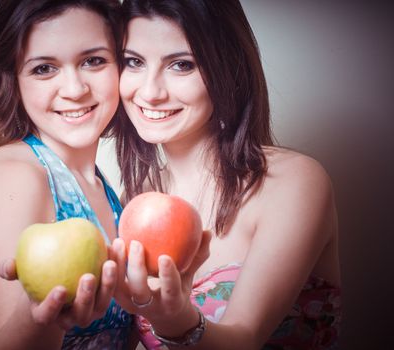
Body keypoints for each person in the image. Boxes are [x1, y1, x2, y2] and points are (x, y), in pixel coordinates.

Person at [110, 0, 342, 349]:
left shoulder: (293, 183)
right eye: (134, 62)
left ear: (226, 68)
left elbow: (244, 339)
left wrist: (175, 322)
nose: (151, 92)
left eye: (182, 64)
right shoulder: (133, 200)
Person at [0, 0, 135, 349]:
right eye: (44, 69)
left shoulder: (104, 190)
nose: (75, 89)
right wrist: (44, 317)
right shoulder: (13, 175)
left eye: (93, 61)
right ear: (14, 81)